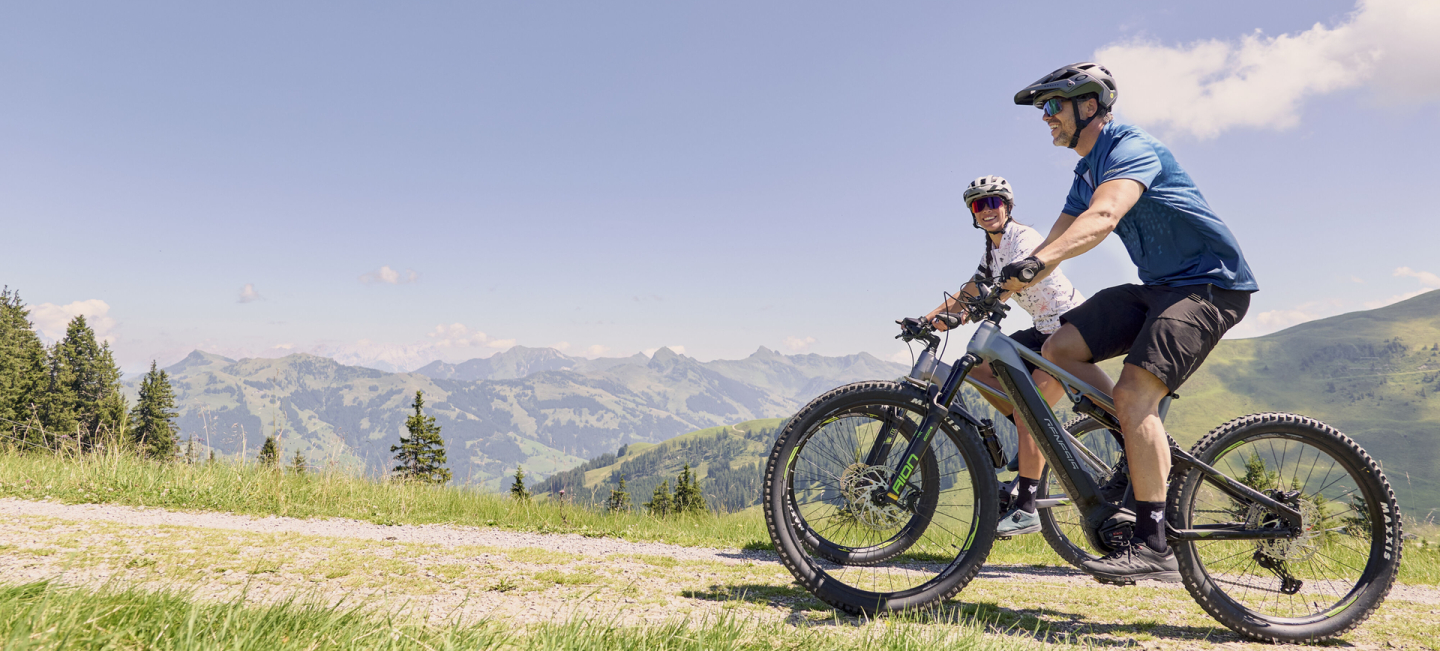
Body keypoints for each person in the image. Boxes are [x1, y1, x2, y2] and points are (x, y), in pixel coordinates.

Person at [1001, 62, 1257, 583]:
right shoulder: (1085, 169)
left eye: (1052, 107)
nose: (1045, 118)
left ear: (1088, 105)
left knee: (1135, 392)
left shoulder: (1129, 147)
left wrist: (1032, 266)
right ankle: (1133, 437)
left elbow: (1102, 218)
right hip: (1157, 287)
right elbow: (1054, 244)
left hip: (1210, 287)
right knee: (1061, 347)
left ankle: (1155, 543)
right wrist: (1000, 287)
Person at [923, 174, 1091, 537]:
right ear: (972, 212)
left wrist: (988, 301)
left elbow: (1016, 279)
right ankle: (1030, 434)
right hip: (1041, 329)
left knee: (1032, 409)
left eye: (993, 202)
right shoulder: (991, 247)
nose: (986, 210)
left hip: (1069, 329)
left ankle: (1027, 506)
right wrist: (929, 318)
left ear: (1007, 206)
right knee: (979, 369)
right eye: (978, 205)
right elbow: (972, 289)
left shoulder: (1022, 238)